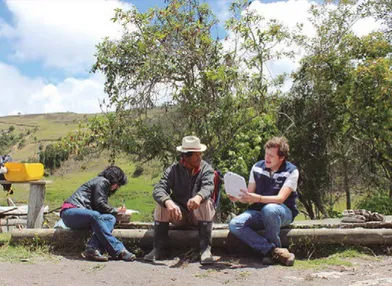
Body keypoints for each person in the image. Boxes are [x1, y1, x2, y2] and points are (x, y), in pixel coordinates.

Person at [144, 136, 216, 265]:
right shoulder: (173, 170)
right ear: (186, 156)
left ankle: (205, 249)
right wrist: (168, 201)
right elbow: (159, 188)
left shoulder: (206, 169)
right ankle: (159, 249)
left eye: (200, 153)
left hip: (198, 216)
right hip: (179, 215)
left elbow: (208, 187)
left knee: (206, 203)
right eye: (197, 154)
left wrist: (198, 197)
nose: (200, 157)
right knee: (161, 205)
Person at [228, 136, 299, 266]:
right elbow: (250, 195)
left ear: (281, 157)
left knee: (270, 209)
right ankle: (272, 251)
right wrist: (239, 198)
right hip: (257, 211)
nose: (267, 158)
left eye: (271, 156)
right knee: (234, 224)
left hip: (283, 212)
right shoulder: (257, 167)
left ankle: (272, 251)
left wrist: (258, 198)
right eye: (266, 153)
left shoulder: (291, 171)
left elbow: (280, 199)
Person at [60, 165, 136, 262]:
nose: (118, 187)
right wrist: (116, 210)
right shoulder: (102, 181)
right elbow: (99, 205)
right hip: (70, 212)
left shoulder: (100, 183)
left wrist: (112, 212)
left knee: (110, 218)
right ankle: (119, 250)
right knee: (95, 215)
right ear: (114, 179)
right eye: (118, 184)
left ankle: (92, 248)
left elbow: (98, 207)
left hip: (82, 216)